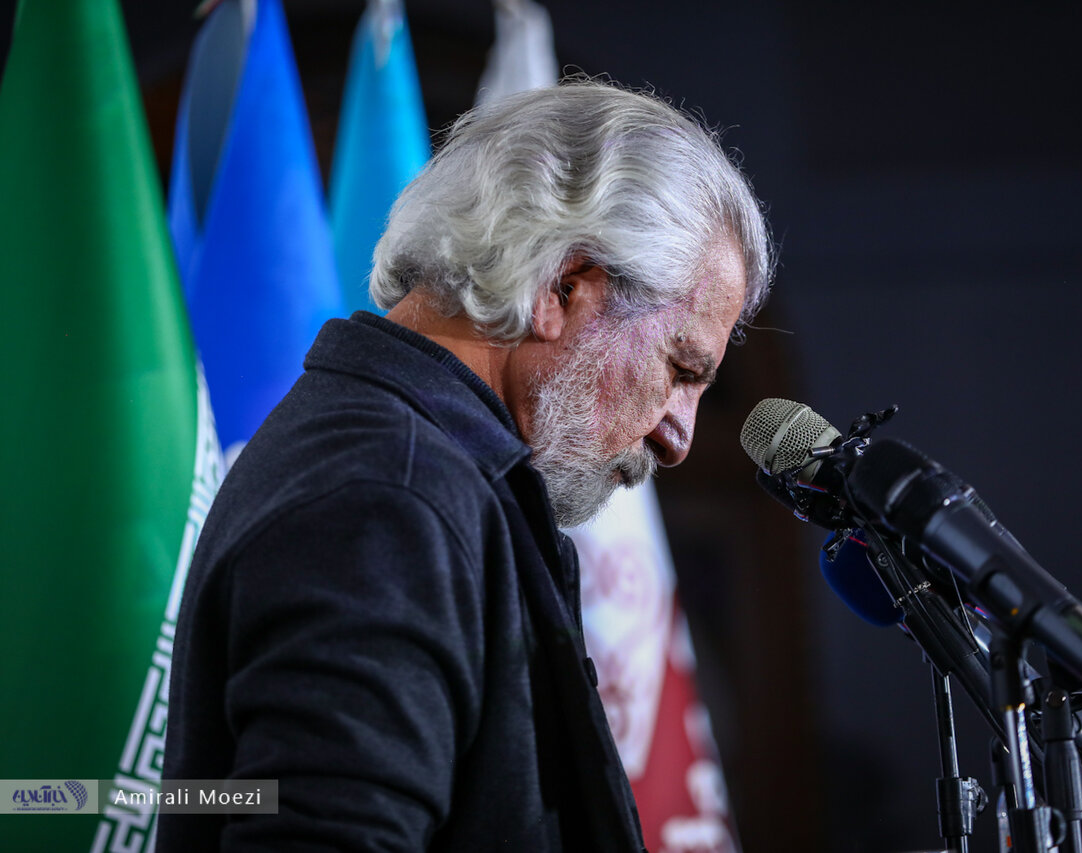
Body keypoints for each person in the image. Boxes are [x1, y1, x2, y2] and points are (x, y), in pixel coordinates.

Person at [159, 79, 774, 852]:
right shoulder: (389, 497)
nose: (679, 436)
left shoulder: (405, 471)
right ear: (562, 287)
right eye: (681, 368)